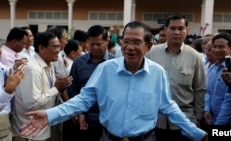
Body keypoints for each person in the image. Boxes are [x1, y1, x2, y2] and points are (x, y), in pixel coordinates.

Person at [19, 21, 208, 141]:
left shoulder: (158, 74)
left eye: (136, 42)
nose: (129, 47)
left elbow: (169, 107)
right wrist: (50, 115)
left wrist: (195, 132)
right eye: (126, 41)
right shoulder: (105, 70)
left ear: (149, 46)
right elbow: (83, 100)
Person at [146, 13, 206, 141]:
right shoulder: (151, 53)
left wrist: (199, 117)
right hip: (155, 120)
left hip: (184, 122)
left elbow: (200, 89)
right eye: (172, 28)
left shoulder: (195, 56)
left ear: (187, 31)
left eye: (181, 28)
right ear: (165, 30)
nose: (177, 32)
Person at [11, 31, 73, 141]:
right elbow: (32, 104)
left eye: (59, 46)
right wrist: (56, 89)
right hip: (29, 134)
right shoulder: (32, 69)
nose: (59, 50)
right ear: (41, 48)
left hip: (42, 131)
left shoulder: (50, 64)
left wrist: (58, 88)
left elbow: (48, 94)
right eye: (55, 47)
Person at [63, 25, 115, 141]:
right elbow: (73, 89)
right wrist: (80, 112)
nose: (95, 48)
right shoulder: (79, 63)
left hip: (110, 120)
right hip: (85, 120)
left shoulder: (116, 63)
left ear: (107, 41)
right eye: (91, 44)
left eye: (99, 44)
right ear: (87, 42)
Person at [203, 32, 231, 126]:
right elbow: (208, 92)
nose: (216, 50)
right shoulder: (212, 68)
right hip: (211, 120)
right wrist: (207, 109)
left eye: (221, 47)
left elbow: (229, 102)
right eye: (214, 46)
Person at [0, 48, 25, 141]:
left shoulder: (0, 66)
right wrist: (8, 91)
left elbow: (7, 70)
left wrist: (15, 67)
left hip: (5, 122)